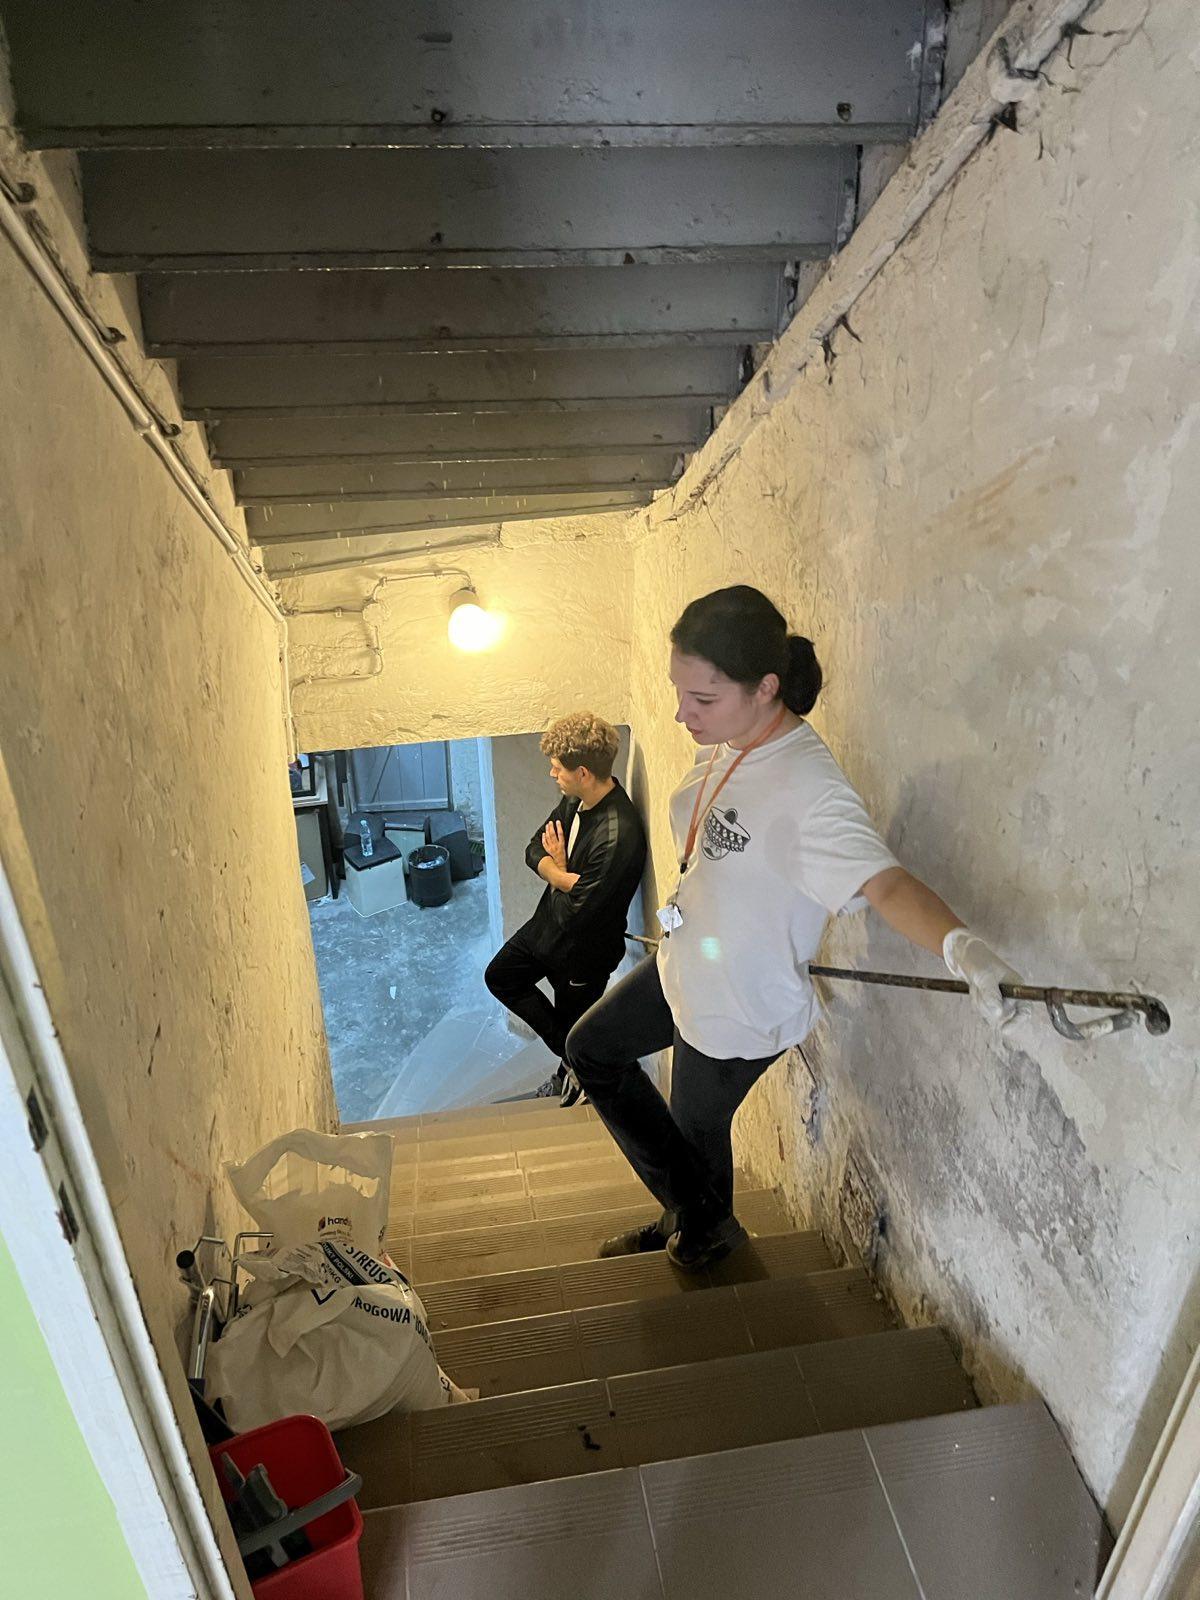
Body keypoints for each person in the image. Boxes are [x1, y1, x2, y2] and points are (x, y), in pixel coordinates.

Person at [564, 585, 1022, 1271]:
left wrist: (963, 948)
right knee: (592, 1048)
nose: (682, 713)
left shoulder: (812, 792)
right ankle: (695, 1214)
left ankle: (703, 1230)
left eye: (703, 699)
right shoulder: (725, 740)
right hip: (686, 969)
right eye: (680, 692)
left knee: (695, 1129)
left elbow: (885, 882)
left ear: (765, 687)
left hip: (740, 1007)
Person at [484, 712, 648, 1106]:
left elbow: (580, 913)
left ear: (584, 773)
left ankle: (582, 1071)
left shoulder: (618, 834)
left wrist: (558, 871)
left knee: (576, 1025)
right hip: (547, 929)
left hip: (582, 955)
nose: (552, 774)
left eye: (558, 768)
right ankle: (582, 1064)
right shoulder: (574, 800)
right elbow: (533, 848)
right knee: (501, 976)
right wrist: (563, 874)